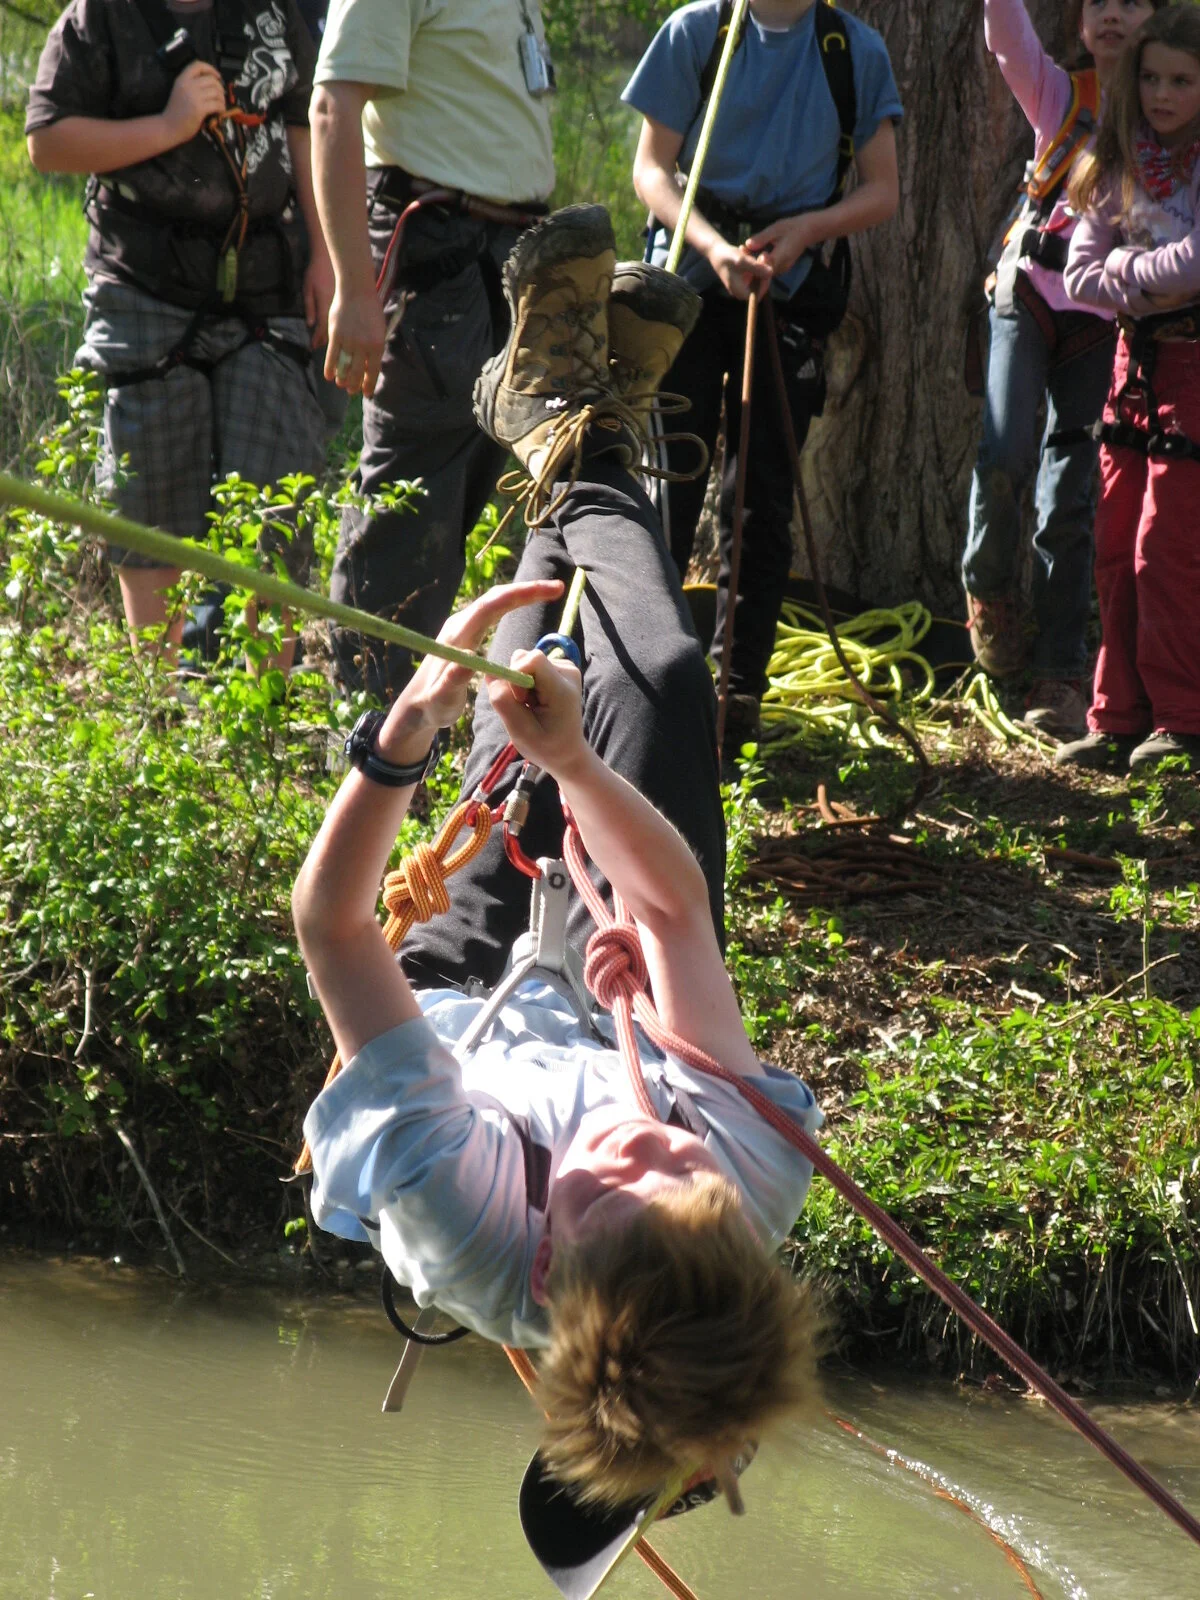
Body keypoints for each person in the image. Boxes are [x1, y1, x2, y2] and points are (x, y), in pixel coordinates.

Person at [296, 206, 825, 1510]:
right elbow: (681, 913)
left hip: (463, 998)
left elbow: (335, 927)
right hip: (602, 998)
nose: (660, 1147)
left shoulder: (463, 1223)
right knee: (658, 680)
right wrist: (581, 770)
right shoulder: (741, 1180)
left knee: (532, 683)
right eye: (685, 1173)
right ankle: (581, 422)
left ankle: (574, 420)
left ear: (563, 1289)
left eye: (631, 1187)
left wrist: (411, 726)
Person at [623, 0, 902, 761]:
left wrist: (807, 230)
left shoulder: (853, 52)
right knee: (670, 480)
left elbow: (882, 189)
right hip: (688, 276)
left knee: (762, 493)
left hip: (789, 288)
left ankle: (734, 691)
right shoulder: (698, 32)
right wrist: (713, 247)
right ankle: (647, 676)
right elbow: (652, 166)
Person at [25, 0, 334, 660]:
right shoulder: (99, 17)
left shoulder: (276, 9)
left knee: (275, 509)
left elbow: (306, 122)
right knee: (148, 503)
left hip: (266, 290)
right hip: (144, 288)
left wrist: (327, 256)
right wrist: (169, 125)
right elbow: (47, 141)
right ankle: (158, 712)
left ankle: (261, 725)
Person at [309, 0, 557, 701]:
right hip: (433, 253)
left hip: (510, 257)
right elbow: (333, 107)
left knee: (475, 497)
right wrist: (356, 289)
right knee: (404, 510)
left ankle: (423, 723)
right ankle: (366, 739)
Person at [963, 0, 1161, 742]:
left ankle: (1059, 667)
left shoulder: (1169, 113)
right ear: (1079, 22)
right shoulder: (1061, 95)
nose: (1112, 16)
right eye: (1098, 4)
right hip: (1028, 296)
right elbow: (1006, 38)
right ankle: (989, 595)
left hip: (1104, 323)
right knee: (1003, 455)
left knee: (1068, 497)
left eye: (1132, 3)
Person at [1058, 3, 1200, 773]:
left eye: (1182, 80)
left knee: (1166, 545)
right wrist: (1143, 283)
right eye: (1151, 78)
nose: (1162, 94)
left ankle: (1184, 717)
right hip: (1133, 364)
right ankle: (1118, 715)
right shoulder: (1121, 156)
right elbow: (1080, 272)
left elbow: (1195, 265)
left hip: (1194, 367)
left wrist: (1127, 277)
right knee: (1115, 539)